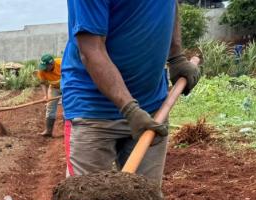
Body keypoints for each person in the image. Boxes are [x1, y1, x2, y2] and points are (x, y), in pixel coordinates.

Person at [61, 0, 200, 184]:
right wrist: (129, 109)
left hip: (152, 107)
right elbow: (91, 49)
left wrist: (176, 57)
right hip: (92, 112)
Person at [35, 53, 63, 137]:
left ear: (51, 64)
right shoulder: (42, 70)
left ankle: (69, 131)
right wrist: (45, 96)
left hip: (67, 86)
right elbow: (43, 83)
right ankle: (48, 131)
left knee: (67, 107)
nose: (44, 69)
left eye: (46, 67)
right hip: (54, 88)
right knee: (50, 107)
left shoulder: (62, 63)